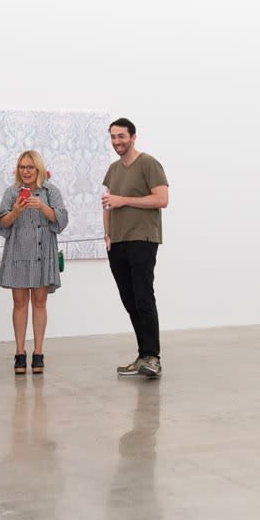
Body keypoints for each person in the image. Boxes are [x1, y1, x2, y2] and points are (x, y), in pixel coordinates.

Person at [102, 118, 170, 380]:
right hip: (117, 241)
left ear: (133, 137)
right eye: (113, 137)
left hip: (143, 239)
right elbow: (107, 203)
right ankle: (143, 355)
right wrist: (107, 235)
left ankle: (153, 356)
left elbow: (162, 199)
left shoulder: (149, 164)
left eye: (121, 136)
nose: (117, 141)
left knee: (143, 296)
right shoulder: (113, 169)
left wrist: (124, 200)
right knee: (129, 299)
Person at [0, 150, 69, 376]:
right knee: (19, 303)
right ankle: (19, 352)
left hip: (42, 251)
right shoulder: (11, 192)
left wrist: (42, 207)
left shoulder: (51, 192)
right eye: (22, 167)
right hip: (18, 251)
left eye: (30, 167)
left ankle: (38, 352)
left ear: (39, 169)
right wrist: (16, 210)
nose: (25, 171)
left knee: (39, 302)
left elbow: (62, 219)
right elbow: (1, 224)